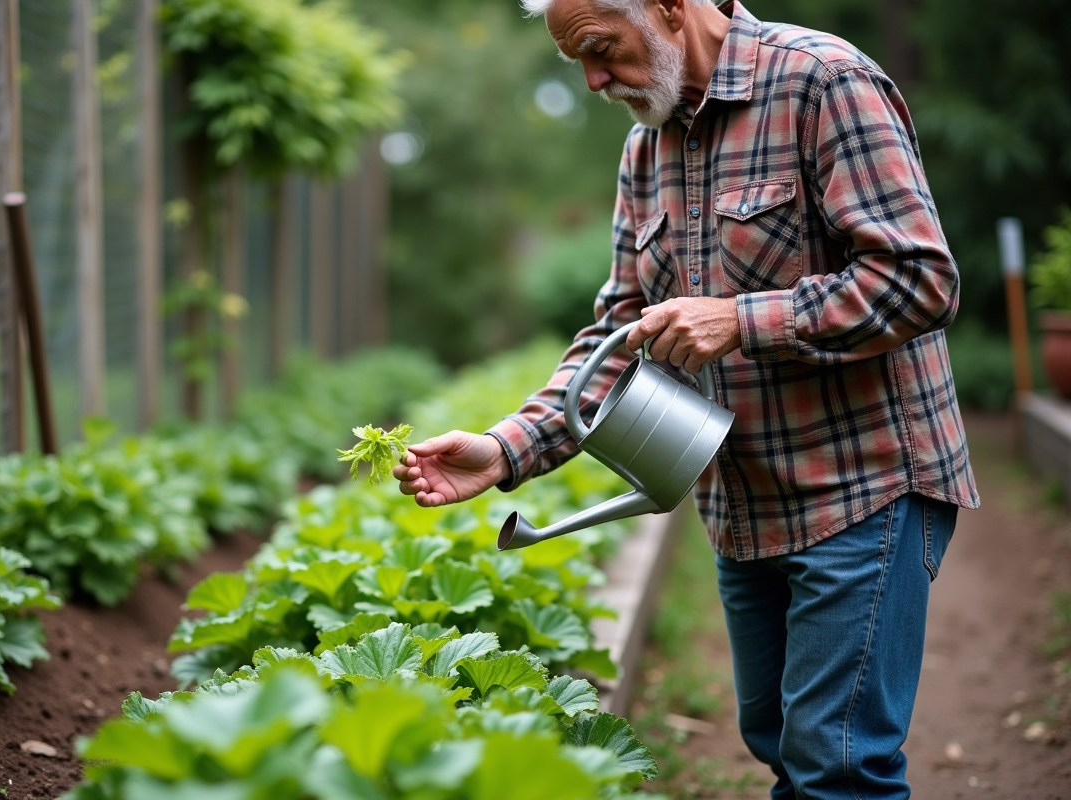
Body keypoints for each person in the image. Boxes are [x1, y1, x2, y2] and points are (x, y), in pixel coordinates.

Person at [393, 0, 979, 797]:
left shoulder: (821, 82)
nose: (595, 79)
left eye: (601, 49)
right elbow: (618, 332)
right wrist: (504, 450)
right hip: (745, 505)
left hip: (864, 487)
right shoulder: (647, 146)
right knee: (777, 739)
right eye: (580, 64)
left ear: (671, 7)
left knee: (839, 763)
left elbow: (919, 280)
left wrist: (740, 320)